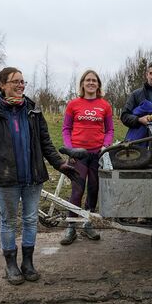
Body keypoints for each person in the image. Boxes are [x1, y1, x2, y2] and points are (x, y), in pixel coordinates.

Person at [0, 67, 78, 285]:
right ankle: (11, 264)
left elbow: (45, 143)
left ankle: (27, 263)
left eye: (22, 82)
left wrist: (60, 164)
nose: (20, 85)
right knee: (9, 222)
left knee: (30, 220)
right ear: (2, 85)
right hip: (7, 178)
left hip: (33, 177)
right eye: (15, 81)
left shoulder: (33, 110)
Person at [60, 70, 114, 245]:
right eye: (87, 80)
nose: (91, 83)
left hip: (97, 155)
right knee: (77, 190)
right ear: (82, 84)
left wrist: (105, 146)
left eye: (94, 80)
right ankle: (71, 227)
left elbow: (110, 130)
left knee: (93, 189)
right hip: (78, 156)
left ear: (98, 85)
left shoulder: (105, 106)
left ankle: (87, 223)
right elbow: (66, 129)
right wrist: (70, 149)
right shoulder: (73, 104)